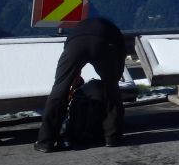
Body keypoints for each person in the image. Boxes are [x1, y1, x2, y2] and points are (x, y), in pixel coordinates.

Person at [35, 16, 127, 152]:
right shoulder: (115, 32)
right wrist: (114, 79)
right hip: (103, 42)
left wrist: (74, 77)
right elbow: (120, 57)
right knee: (112, 90)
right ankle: (112, 137)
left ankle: (45, 141)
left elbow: (69, 50)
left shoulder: (78, 28)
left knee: (59, 89)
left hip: (75, 44)